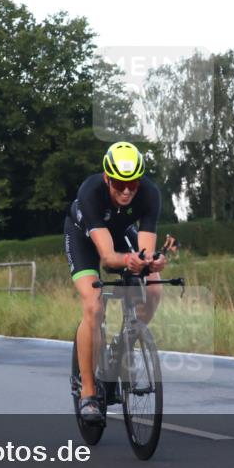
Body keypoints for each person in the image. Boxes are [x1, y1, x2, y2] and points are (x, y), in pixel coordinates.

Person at [64, 142, 166, 423]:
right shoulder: (91, 192)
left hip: (122, 233)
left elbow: (144, 250)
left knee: (154, 289)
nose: (126, 191)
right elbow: (108, 258)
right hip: (84, 238)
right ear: (107, 178)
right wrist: (129, 261)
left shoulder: (150, 194)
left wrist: (150, 262)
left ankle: (124, 345)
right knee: (94, 308)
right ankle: (88, 393)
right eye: (120, 183)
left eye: (132, 183)